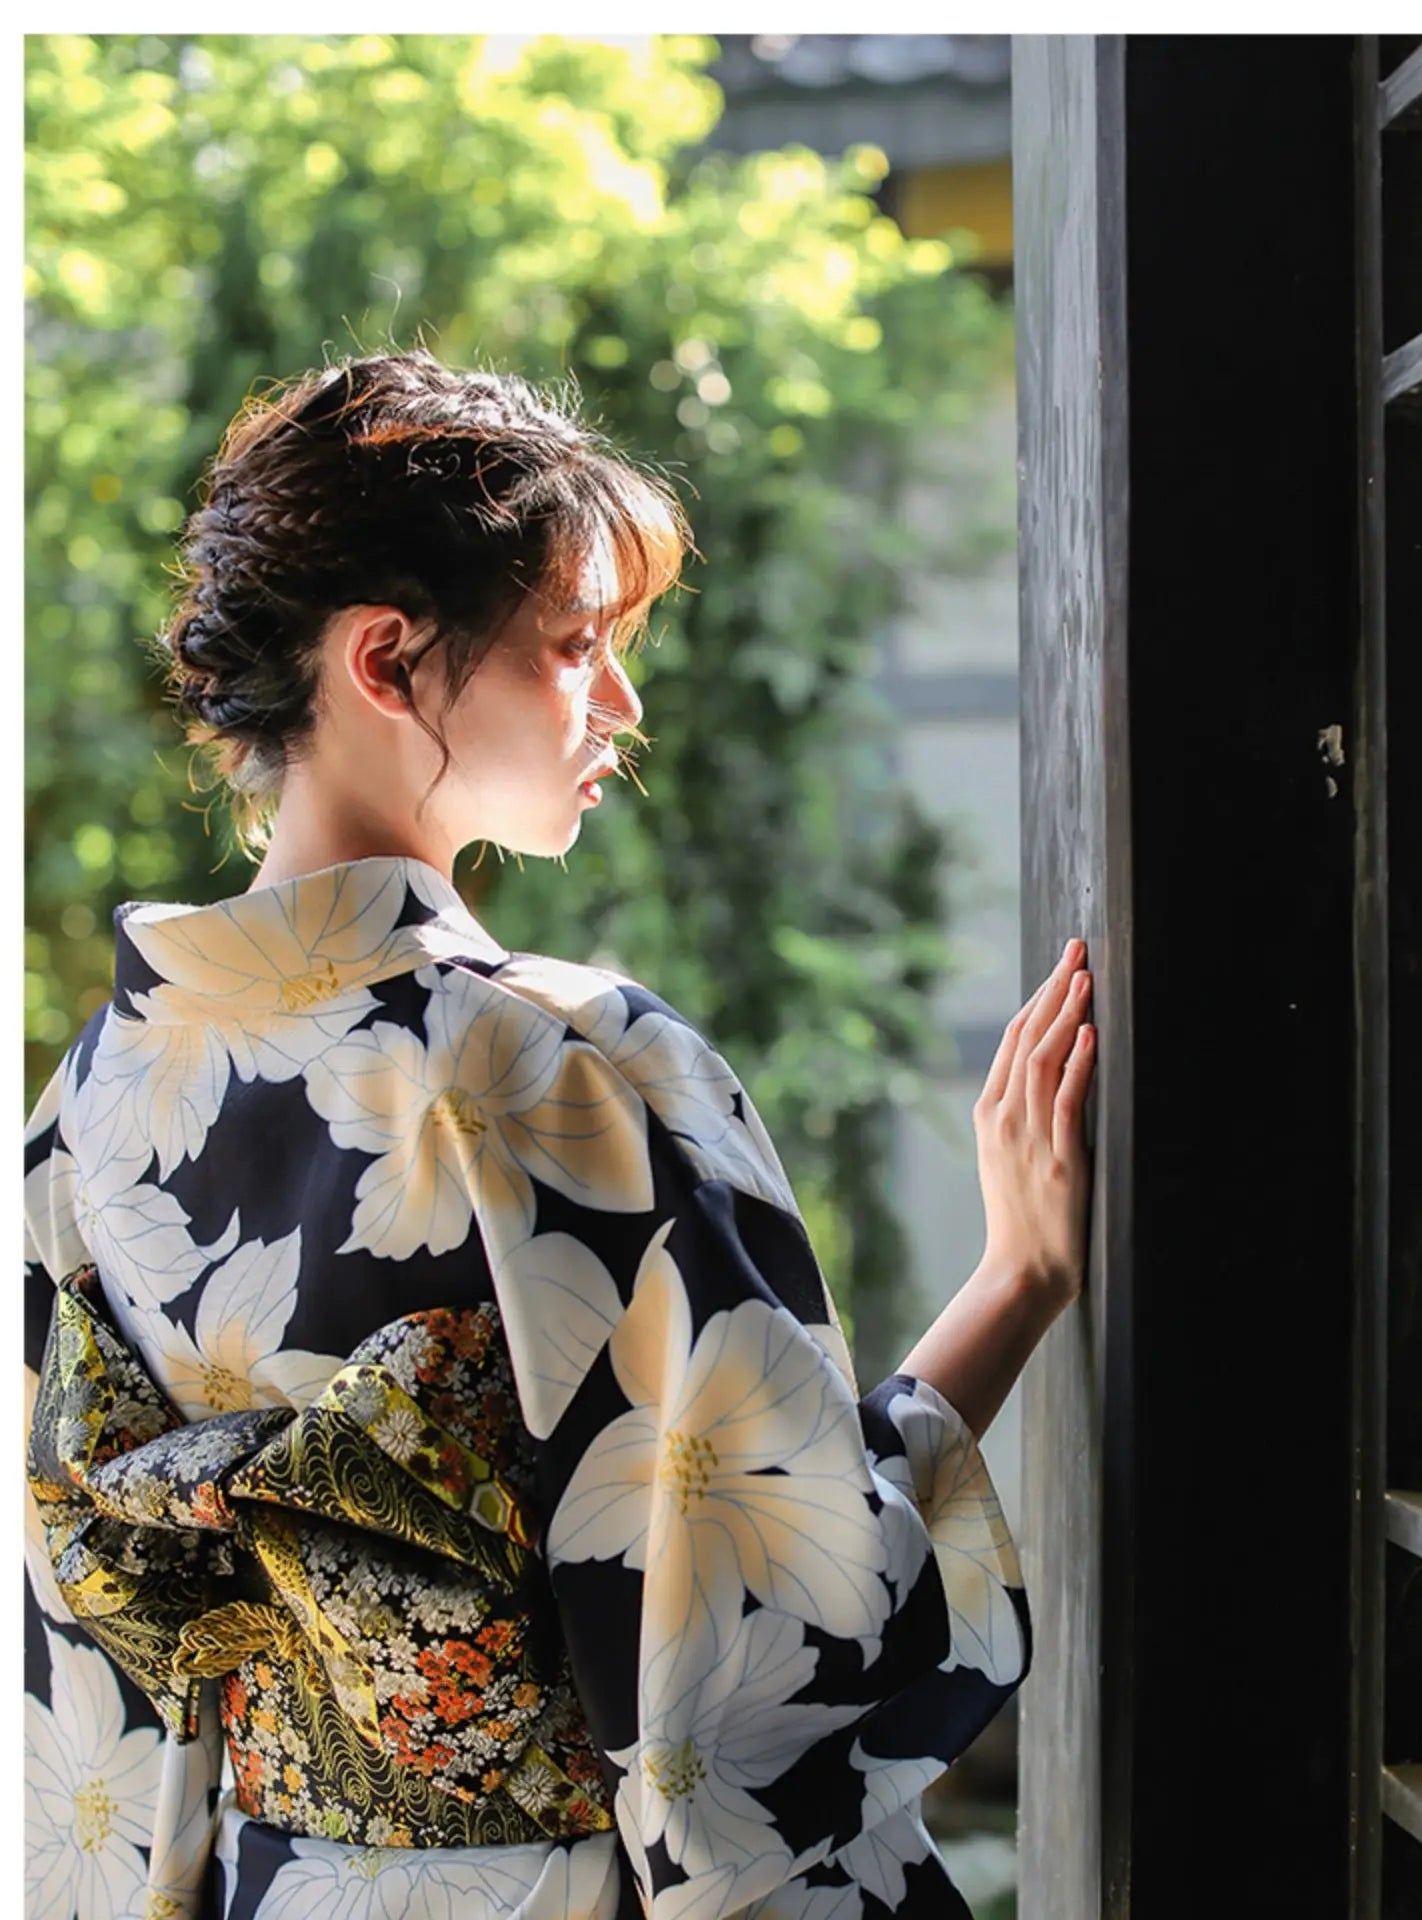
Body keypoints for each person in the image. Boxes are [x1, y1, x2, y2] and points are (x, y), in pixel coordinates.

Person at [22, 349, 1095, 1920]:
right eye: (576, 644)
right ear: (386, 663)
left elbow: (88, 1687)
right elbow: (772, 1627)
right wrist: (1022, 1280)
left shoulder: (88, 1097)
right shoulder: (563, 1062)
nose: (622, 701)